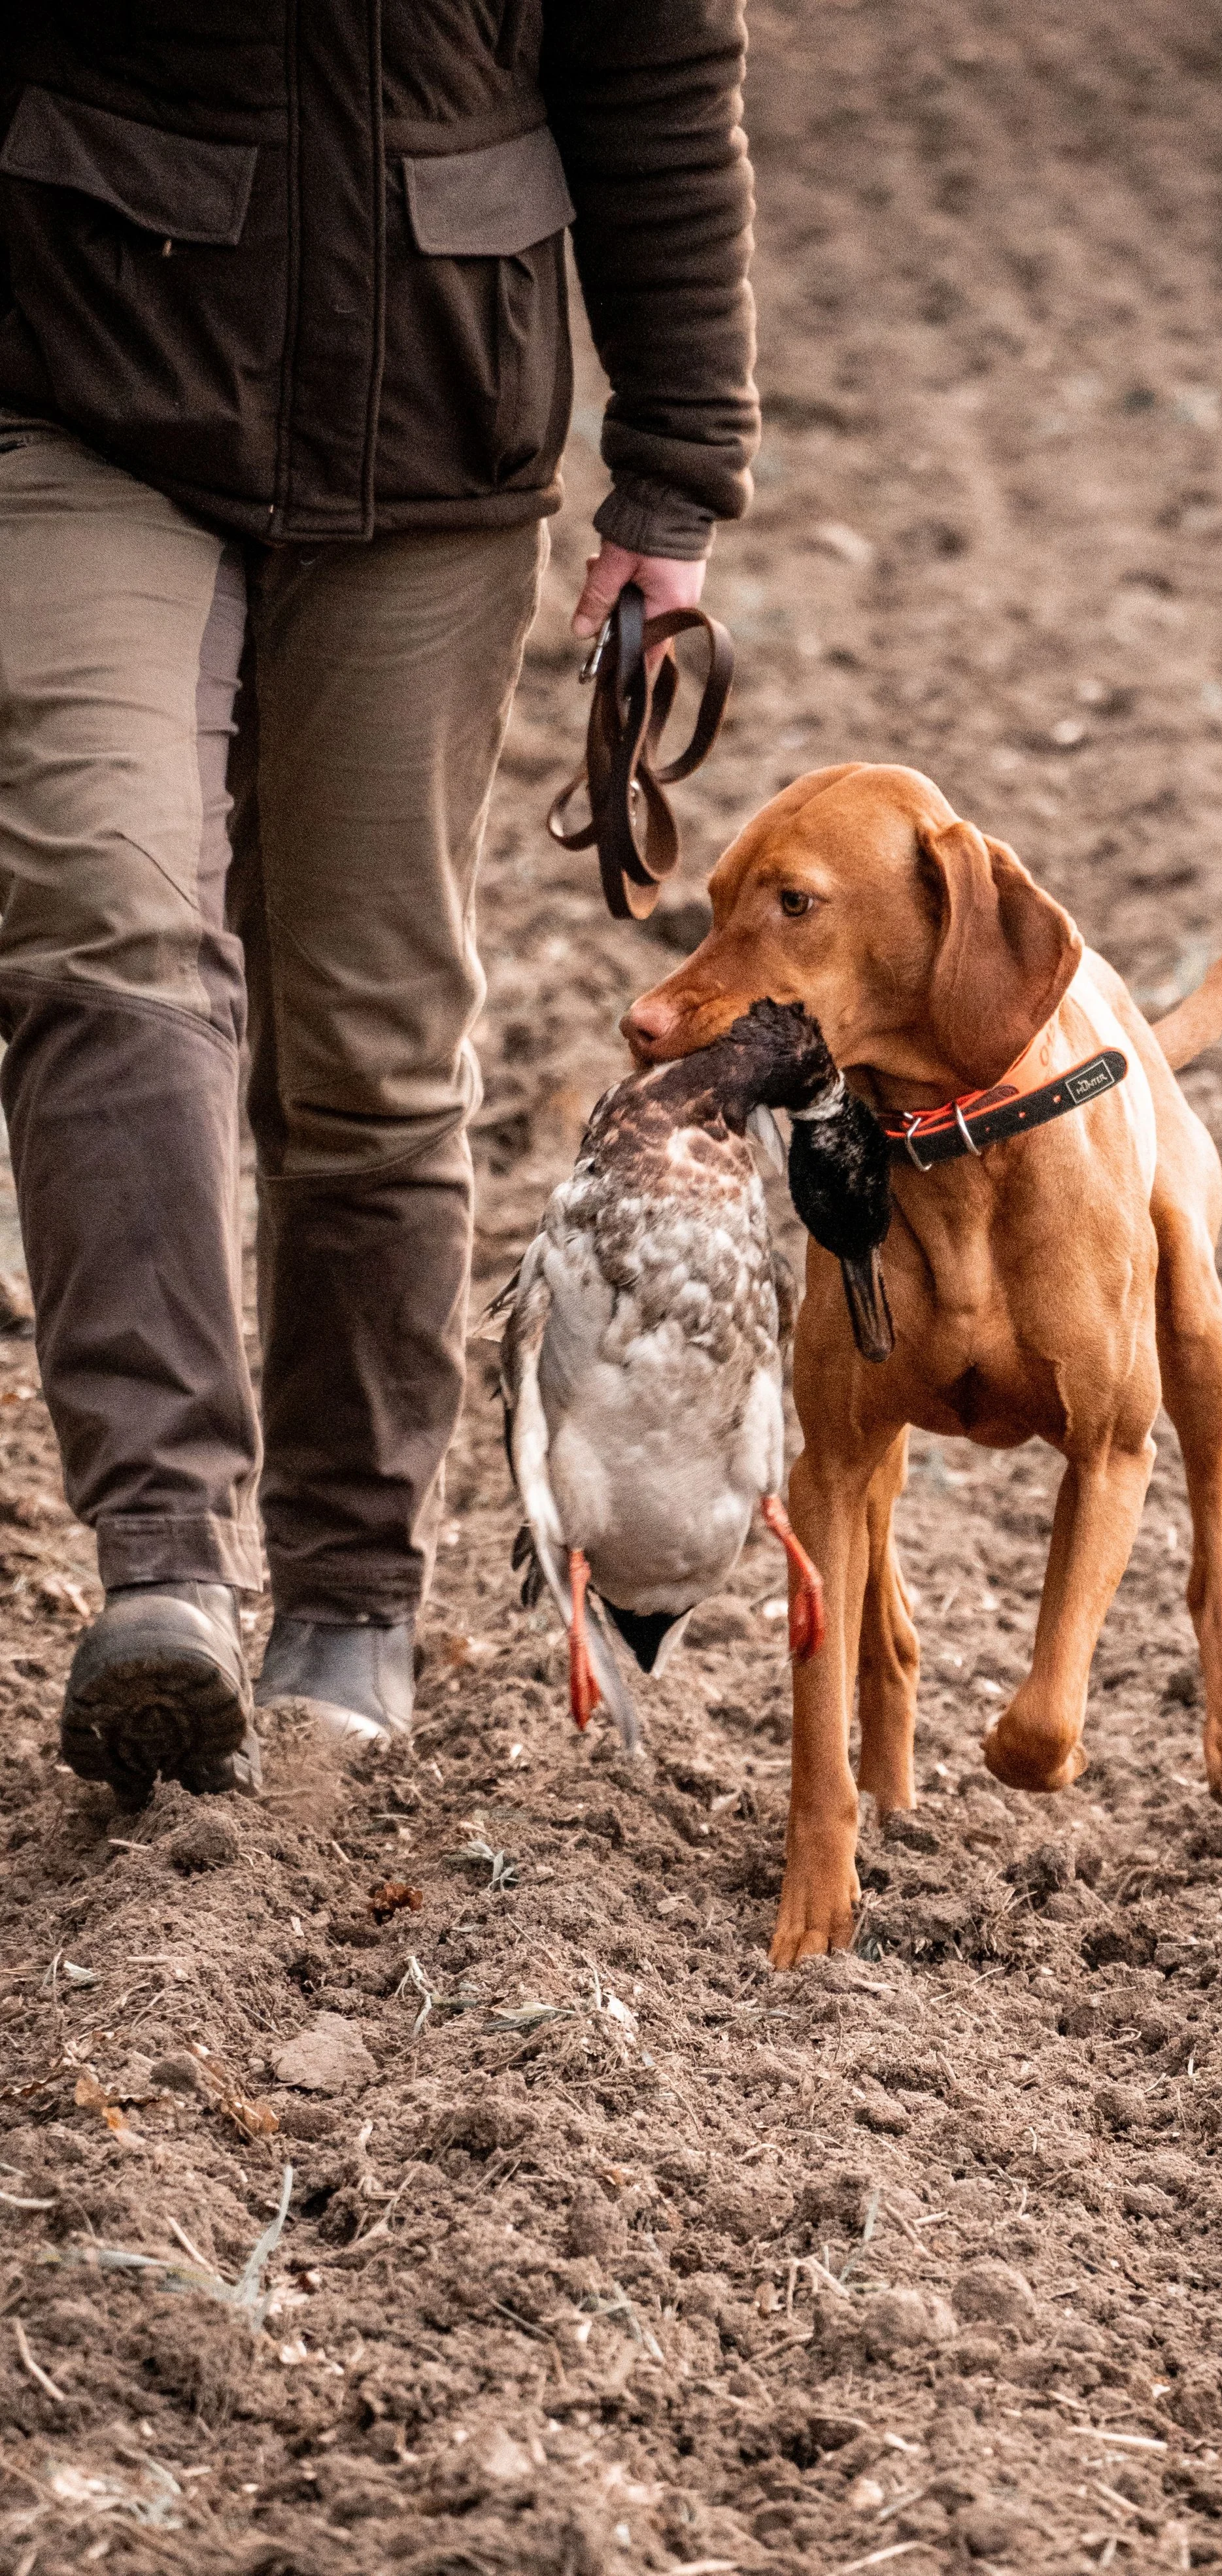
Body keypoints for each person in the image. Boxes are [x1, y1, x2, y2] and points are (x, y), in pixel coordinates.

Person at [0, 5, 757, 1800]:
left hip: (436, 416)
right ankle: (165, 1561)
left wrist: (678, 465)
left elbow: (653, 67)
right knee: (104, 914)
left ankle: (349, 1592)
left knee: (373, 1031)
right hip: (83, 373)